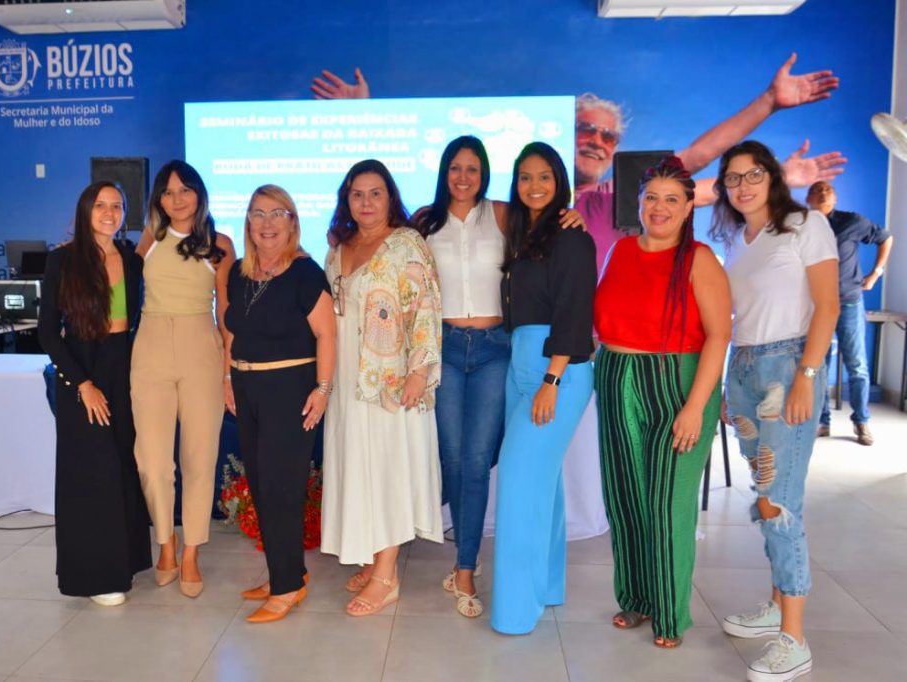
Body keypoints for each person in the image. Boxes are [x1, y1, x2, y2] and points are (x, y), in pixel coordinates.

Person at [312, 55, 846, 269]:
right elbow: (401, 215)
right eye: (586, 129)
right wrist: (366, 113)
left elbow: (701, 164)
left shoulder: (620, 199)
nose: (596, 140)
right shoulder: (515, 202)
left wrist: (770, 108)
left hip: (595, 351)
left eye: (607, 135)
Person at [412, 135, 584, 618]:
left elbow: (551, 228)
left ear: (485, 173)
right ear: (444, 172)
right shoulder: (425, 222)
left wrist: (574, 216)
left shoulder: (506, 215)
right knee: (452, 458)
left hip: (495, 350)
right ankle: (464, 559)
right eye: (455, 168)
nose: (463, 177)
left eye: (473, 168)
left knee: (477, 457)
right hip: (444, 347)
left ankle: (466, 568)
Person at [711, 141, 839, 682]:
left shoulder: (805, 224)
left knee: (780, 502)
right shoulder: (736, 240)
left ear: (772, 176)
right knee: (765, 496)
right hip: (744, 370)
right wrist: (727, 383)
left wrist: (806, 376)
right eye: (732, 178)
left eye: (752, 174)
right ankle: (775, 604)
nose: (742, 186)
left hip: (788, 367)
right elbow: (738, 318)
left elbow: (828, 305)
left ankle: (794, 639)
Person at [593, 157, 731, 648]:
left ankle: (670, 614)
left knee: (668, 503)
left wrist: (695, 408)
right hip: (617, 378)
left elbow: (719, 336)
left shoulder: (700, 259)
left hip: (678, 385)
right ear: (639, 203)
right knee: (626, 497)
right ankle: (636, 597)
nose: (660, 207)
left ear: (689, 206)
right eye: (652, 197)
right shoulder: (620, 250)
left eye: (672, 199)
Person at [322, 159, 443, 617]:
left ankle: (387, 577)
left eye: (375, 193)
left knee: (389, 471)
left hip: (392, 381)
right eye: (357, 194)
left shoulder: (407, 243)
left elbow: (428, 309)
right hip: (347, 379)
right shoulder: (339, 247)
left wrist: (419, 373)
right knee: (360, 467)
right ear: (346, 200)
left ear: (390, 197)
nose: (366, 202)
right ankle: (375, 559)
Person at [491, 142, 596, 635]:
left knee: (517, 485)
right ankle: (548, 586)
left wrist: (551, 379)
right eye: (525, 177)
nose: (534, 186)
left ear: (560, 182)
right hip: (520, 363)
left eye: (545, 177)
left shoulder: (571, 237)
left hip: (558, 370)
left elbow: (574, 311)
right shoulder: (523, 234)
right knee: (542, 485)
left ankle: (515, 611)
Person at [223, 185, 336, 623]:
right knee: (261, 487)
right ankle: (285, 574)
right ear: (248, 222)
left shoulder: (305, 273)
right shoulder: (240, 273)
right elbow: (232, 332)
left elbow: (327, 334)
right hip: (246, 387)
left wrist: (322, 390)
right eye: (258, 214)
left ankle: (287, 588)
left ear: (293, 222)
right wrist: (228, 377)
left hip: (289, 391)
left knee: (281, 489)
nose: (266, 223)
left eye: (277, 214)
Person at [38, 181, 152, 606]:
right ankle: (96, 575)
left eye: (117, 206)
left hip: (123, 366)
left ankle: (125, 562)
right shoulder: (63, 260)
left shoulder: (131, 259)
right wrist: (82, 384)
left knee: (122, 465)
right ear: (85, 210)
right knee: (91, 473)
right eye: (100, 205)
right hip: (81, 370)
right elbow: (47, 332)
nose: (109, 213)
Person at [131, 160, 234, 599]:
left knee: (199, 456)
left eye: (185, 190)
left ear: (199, 194)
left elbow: (226, 312)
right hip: (150, 345)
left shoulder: (220, 244)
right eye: (168, 192)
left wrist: (228, 370)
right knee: (152, 461)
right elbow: (118, 290)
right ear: (159, 199)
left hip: (201, 348)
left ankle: (191, 551)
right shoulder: (148, 240)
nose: (177, 199)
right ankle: (165, 542)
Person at [806, 180, 894, 446]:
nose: (824, 192)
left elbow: (885, 238)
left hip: (849, 303)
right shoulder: (802, 225)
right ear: (808, 199)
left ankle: (861, 421)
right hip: (816, 306)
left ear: (835, 198)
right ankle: (822, 421)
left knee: (857, 366)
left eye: (828, 190)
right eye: (817, 189)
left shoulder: (851, 221)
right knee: (816, 366)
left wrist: (875, 274)